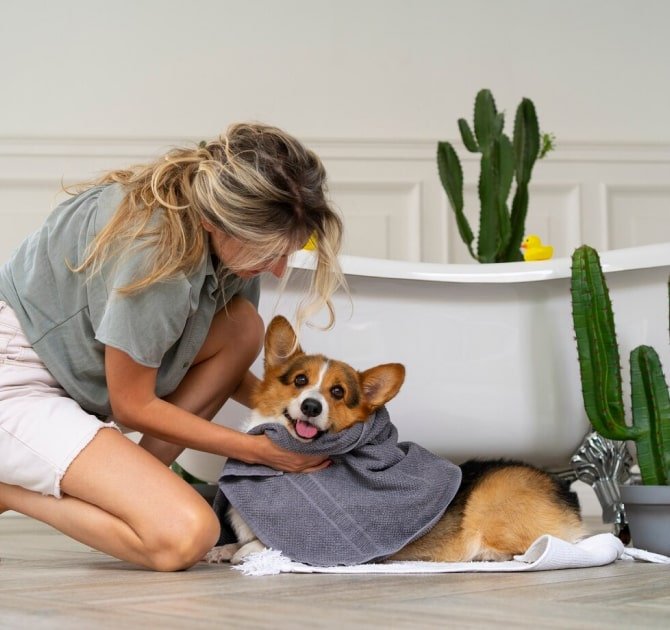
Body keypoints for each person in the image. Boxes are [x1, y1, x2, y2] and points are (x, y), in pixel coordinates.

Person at [0, 122, 345, 571]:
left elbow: (221, 366)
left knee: (243, 328)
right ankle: (9, 489)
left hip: (73, 375)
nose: (278, 269)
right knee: (186, 536)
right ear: (214, 221)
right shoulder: (157, 252)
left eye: (287, 252)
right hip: (15, 379)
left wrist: (301, 412)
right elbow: (132, 405)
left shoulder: (225, 244)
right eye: (267, 253)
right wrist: (257, 449)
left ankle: (128, 502)